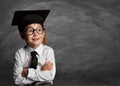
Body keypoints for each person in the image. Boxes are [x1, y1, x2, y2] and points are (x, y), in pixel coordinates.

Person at [11, 10, 56, 86]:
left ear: (43, 33)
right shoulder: (19, 53)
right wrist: (42, 70)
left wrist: (28, 72)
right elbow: (17, 80)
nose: (35, 33)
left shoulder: (48, 51)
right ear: (22, 35)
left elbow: (50, 76)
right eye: (30, 31)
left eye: (39, 30)